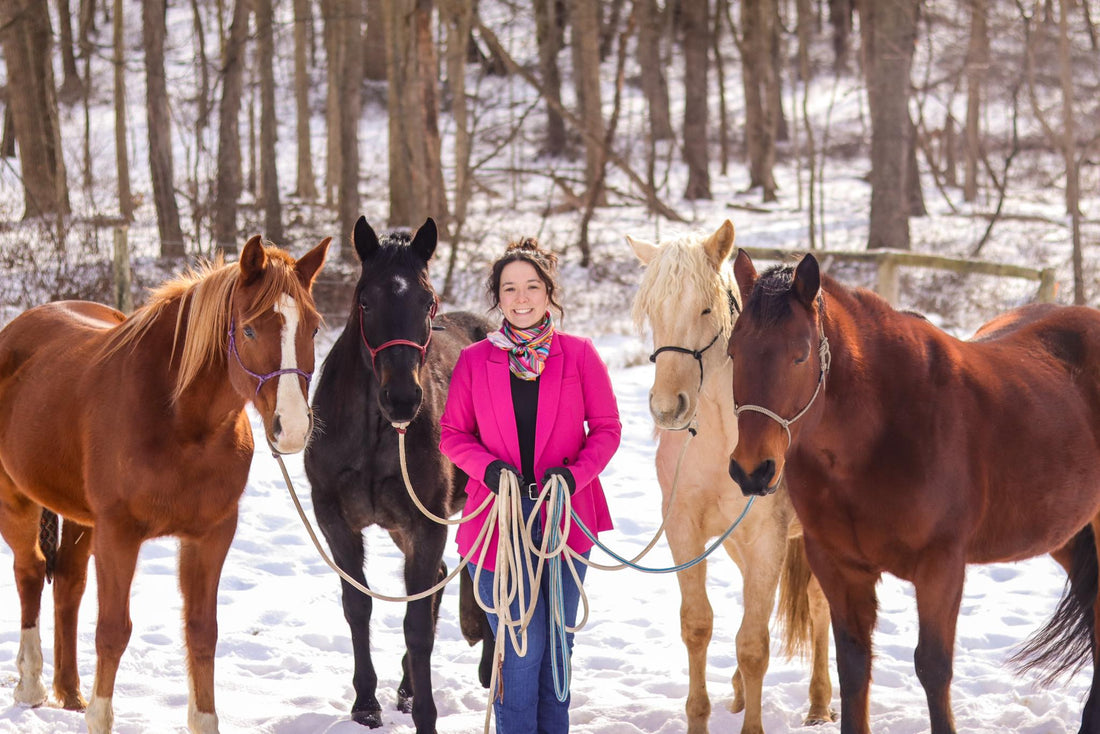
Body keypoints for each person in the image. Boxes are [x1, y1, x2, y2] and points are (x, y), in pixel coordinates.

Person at [440, 237, 621, 733]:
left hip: (566, 520)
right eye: (509, 288)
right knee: (520, 653)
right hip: (497, 528)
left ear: (549, 292)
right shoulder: (476, 360)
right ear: (497, 297)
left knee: (557, 652)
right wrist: (490, 470)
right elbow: (452, 434)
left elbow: (607, 428)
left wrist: (573, 474)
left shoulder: (580, 355)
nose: (521, 298)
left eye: (532, 287)